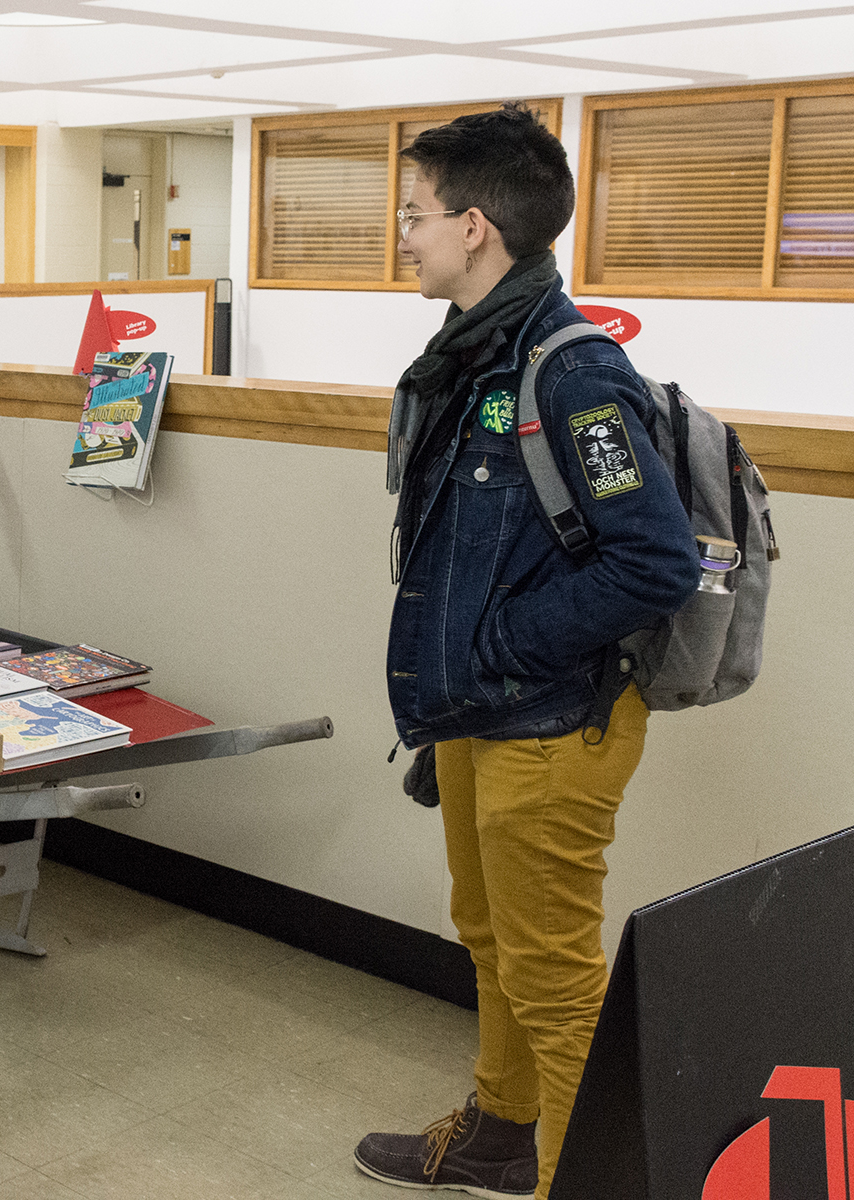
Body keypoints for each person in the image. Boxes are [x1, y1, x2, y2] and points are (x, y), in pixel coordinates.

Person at [356, 104, 697, 1200]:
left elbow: (653, 563)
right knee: (489, 935)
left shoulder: (572, 373)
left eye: (414, 215)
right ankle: (503, 1135)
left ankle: (587, 1178)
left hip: (553, 721)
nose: (402, 234)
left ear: (475, 226)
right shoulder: (470, 359)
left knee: (553, 977)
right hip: (481, 709)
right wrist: (467, 675)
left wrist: (497, 649)